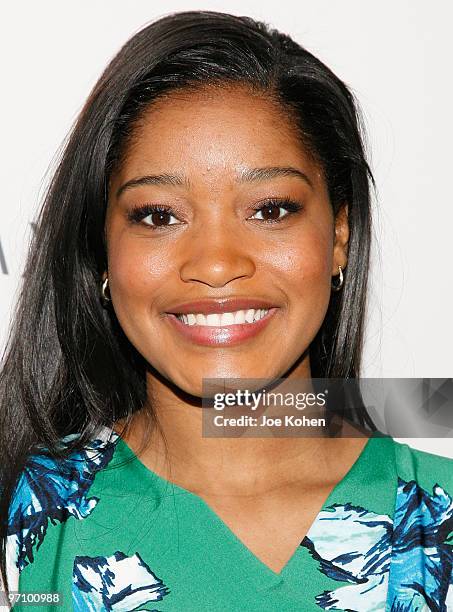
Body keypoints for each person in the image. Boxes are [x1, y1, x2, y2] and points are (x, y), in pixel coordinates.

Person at [1, 10, 453, 612]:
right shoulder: (25, 530)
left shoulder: (439, 515)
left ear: (339, 234)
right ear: (102, 251)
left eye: (270, 209)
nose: (215, 264)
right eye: (158, 216)